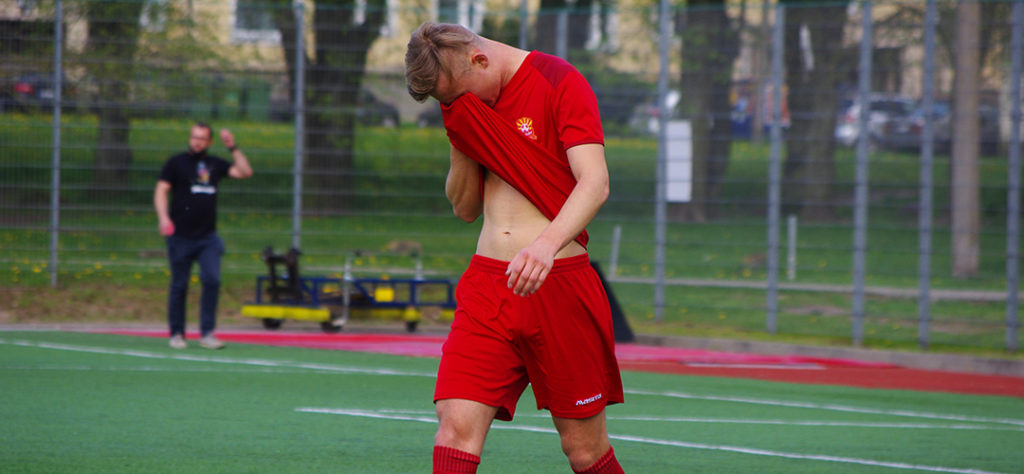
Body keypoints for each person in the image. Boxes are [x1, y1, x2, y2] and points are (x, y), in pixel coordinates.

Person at [405, 23, 624, 474]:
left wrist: (546, 245)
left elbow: (595, 183)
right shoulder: (463, 104)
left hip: (558, 287)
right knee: (454, 428)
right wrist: (462, 132)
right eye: (447, 101)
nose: (456, 105)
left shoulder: (559, 80)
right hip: (489, 289)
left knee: (584, 450)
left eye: (457, 95)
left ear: (480, 60)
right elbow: (465, 208)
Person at [154, 122, 253, 350]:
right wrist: (163, 218)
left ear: (209, 142)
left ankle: (207, 333)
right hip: (180, 236)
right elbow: (161, 190)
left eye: (202, 138)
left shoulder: (215, 164)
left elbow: (245, 172)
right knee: (180, 285)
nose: (197, 142)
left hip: (207, 238)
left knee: (212, 280)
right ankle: (177, 333)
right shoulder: (176, 163)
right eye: (194, 137)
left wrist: (233, 147)